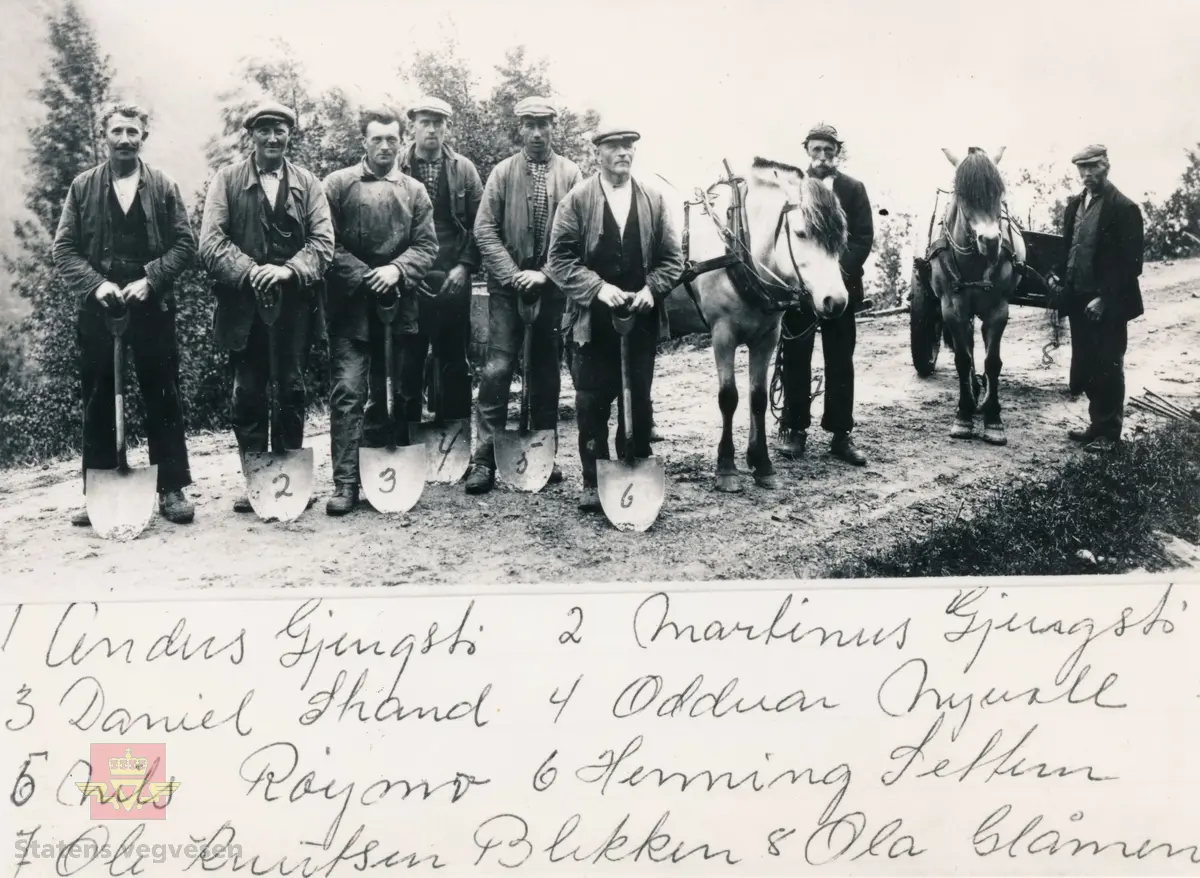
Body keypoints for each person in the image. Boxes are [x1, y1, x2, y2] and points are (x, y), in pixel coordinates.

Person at [52, 102, 198, 527]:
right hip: (100, 308)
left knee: (163, 392)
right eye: (117, 131)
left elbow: (185, 245)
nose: (124, 139)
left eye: (132, 132)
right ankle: (98, 488)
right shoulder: (83, 187)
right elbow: (63, 249)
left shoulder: (164, 186)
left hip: (152, 306)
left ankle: (171, 487)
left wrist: (151, 280)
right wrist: (97, 285)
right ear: (105, 137)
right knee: (98, 397)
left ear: (143, 139)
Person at [198, 100, 335, 511]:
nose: (273, 138)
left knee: (291, 389)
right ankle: (256, 480)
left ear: (289, 135)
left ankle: (291, 478)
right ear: (251, 135)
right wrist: (251, 270)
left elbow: (324, 243)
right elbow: (211, 242)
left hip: (295, 305)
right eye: (264, 130)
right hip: (244, 307)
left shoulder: (308, 184)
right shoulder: (227, 180)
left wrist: (289, 270)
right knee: (248, 393)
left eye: (280, 131)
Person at [546, 125, 683, 511]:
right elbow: (558, 260)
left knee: (637, 399)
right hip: (592, 322)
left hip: (638, 318)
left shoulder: (654, 199)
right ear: (598, 154)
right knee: (591, 400)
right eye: (615, 147)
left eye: (629, 146)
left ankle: (633, 471)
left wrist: (651, 290)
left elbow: (674, 259)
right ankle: (593, 480)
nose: (624, 153)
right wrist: (598, 289)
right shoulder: (577, 200)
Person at [320, 106, 439, 514]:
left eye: (392, 139)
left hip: (399, 306)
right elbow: (324, 244)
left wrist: (396, 270)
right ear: (363, 143)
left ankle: (392, 476)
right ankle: (347, 483)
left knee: (402, 392)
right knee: (349, 393)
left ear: (401, 141)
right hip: (351, 310)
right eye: (377, 139)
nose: (385, 146)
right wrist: (366, 274)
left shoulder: (414, 191)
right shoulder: (337, 185)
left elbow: (427, 246)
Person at [469, 96, 583, 494]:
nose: (537, 132)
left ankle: (542, 453)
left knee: (546, 369)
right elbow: (484, 230)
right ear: (519, 129)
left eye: (544, 124)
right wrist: (515, 275)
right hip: (507, 289)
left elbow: (578, 234)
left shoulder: (571, 174)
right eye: (529, 125)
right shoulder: (502, 173)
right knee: (498, 367)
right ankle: (483, 458)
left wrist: (546, 274)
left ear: (555, 126)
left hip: (551, 291)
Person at [775, 123, 872, 466]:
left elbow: (863, 238)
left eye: (828, 149)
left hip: (839, 288)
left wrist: (833, 274)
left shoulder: (853, 189)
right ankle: (794, 427)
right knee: (796, 356)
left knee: (840, 360)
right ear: (807, 151)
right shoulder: (794, 190)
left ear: (837, 152)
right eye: (816, 149)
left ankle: (841, 435)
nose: (822, 155)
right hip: (801, 290)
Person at [396, 96, 483, 448]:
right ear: (412, 127)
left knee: (454, 361)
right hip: (408, 281)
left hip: (452, 279)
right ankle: (408, 443)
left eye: (438, 123)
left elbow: (482, 224)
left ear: (447, 127)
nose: (431, 129)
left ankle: (455, 441)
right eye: (424, 122)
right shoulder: (396, 168)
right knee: (408, 362)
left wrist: (464, 267)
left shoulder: (464, 170)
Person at [1050, 144, 1144, 453]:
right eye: (1082, 169)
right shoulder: (1075, 205)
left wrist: (1104, 298)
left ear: (1106, 167)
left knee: (1108, 363)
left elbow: (1132, 264)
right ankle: (1096, 425)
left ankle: (1109, 432)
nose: (1087, 174)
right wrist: (1059, 277)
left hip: (1108, 303)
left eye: (1093, 168)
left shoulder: (1124, 208)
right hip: (1078, 298)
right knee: (1087, 364)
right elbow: (1069, 248)